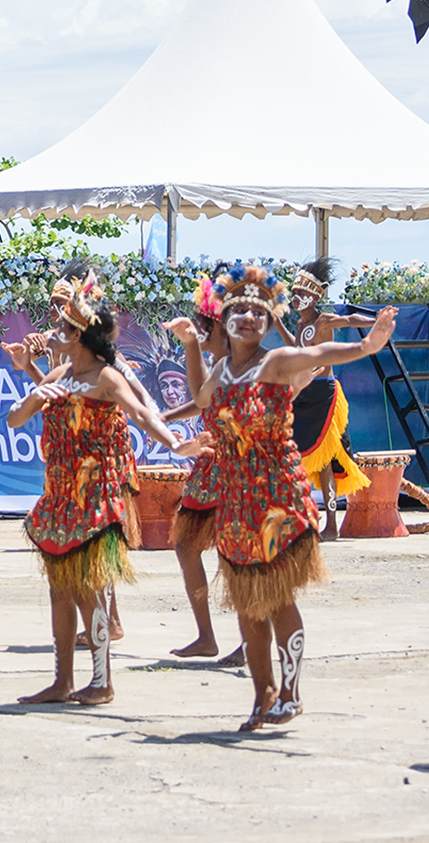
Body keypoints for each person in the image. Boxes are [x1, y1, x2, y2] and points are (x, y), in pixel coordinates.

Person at [182, 262, 396, 731]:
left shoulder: (274, 362)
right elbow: (200, 398)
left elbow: (320, 350)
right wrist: (188, 346)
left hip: (277, 500)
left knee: (276, 597)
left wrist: (366, 345)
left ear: (266, 322)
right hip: (236, 502)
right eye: (239, 311)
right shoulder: (222, 369)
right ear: (224, 318)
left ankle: (291, 692)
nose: (250, 319)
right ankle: (264, 696)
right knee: (246, 601)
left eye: (259, 314)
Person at [7, 275, 207, 706]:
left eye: (63, 329)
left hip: (95, 492)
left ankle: (101, 679)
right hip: (59, 492)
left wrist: (176, 444)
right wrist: (34, 387)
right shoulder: (60, 372)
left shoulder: (107, 377)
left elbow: (140, 413)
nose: (56, 333)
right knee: (59, 587)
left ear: (80, 337)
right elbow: (14, 422)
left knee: (88, 586)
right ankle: (62, 681)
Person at [161, 272, 244, 664]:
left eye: (203, 327)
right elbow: (202, 401)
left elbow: (202, 396)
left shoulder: (234, 362)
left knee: (236, 553)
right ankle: (207, 637)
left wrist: (190, 345)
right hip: (211, 466)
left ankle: (247, 641)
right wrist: (164, 418)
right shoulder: (221, 361)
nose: (199, 330)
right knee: (186, 546)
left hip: (234, 468)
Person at [274, 258, 372, 539]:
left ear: (316, 296)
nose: (297, 298)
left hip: (323, 395)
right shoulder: (300, 326)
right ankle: (303, 519)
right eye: (295, 294)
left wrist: (376, 322)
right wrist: (279, 323)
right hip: (301, 394)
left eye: (303, 294)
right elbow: (296, 350)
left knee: (326, 458)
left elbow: (350, 319)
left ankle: (331, 523)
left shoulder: (323, 321)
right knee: (296, 457)